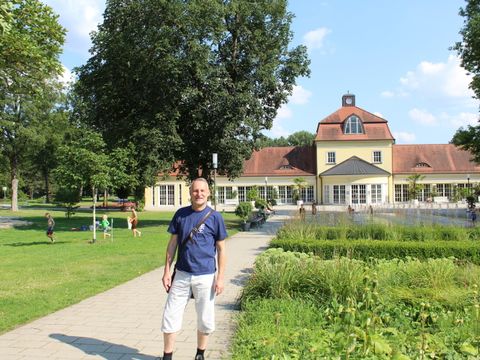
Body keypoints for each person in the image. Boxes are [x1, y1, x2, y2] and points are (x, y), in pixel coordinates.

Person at [161, 178, 227, 360]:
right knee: (170, 314)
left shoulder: (215, 217)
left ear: (208, 193)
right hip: (181, 274)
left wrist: (220, 278)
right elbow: (172, 244)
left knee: (205, 318)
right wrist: (167, 271)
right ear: (190, 193)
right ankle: (167, 356)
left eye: (202, 191)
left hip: (205, 276)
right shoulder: (181, 214)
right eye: (195, 191)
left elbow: (221, 249)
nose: (199, 194)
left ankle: (200, 354)